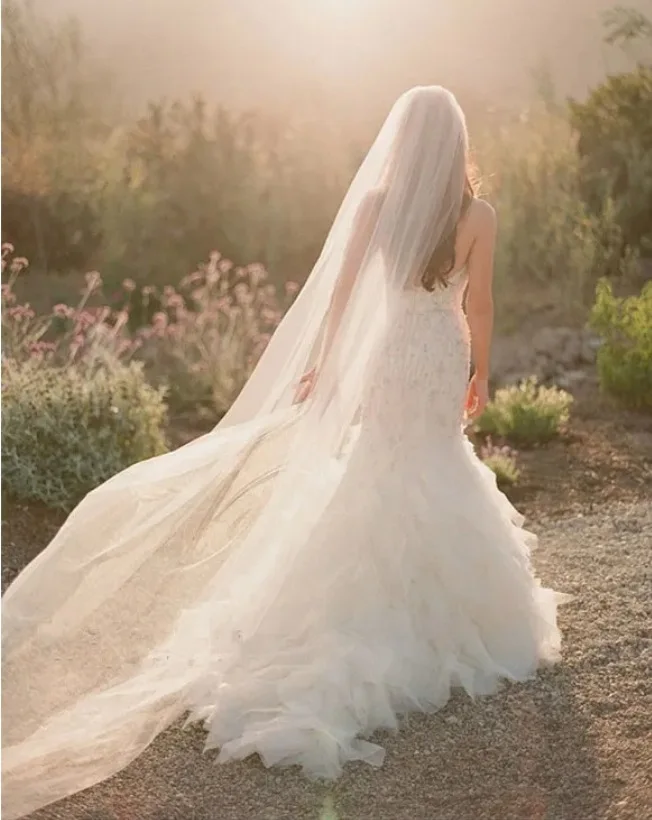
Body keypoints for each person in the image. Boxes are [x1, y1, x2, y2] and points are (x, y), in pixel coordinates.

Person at [2, 86, 569, 820]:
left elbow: (340, 296)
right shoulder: (478, 216)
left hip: (391, 350)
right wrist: (481, 370)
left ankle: (361, 611)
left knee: (378, 463)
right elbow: (479, 302)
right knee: (435, 460)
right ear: (458, 142)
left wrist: (329, 361)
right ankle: (444, 616)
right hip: (438, 349)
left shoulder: (376, 207)